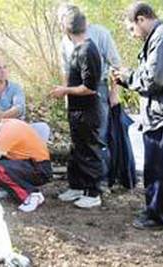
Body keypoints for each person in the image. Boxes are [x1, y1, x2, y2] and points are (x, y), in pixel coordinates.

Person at [113, 2, 163, 229]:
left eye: (132, 29)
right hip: (159, 114)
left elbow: (155, 79)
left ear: (141, 19)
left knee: (162, 170)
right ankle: (154, 209)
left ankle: (159, 217)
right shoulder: (157, 38)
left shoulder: (162, 39)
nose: (132, 35)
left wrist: (127, 76)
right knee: (155, 167)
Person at [58, 4, 122, 187]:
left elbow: (115, 65)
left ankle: (98, 185)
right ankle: (80, 185)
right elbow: (66, 70)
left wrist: (114, 91)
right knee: (79, 141)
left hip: (97, 90)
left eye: (62, 19)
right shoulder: (65, 41)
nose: (61, 24)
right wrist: (65, 94)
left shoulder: (98, 35)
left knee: (96, 138)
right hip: (74, 94)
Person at [51, 7, 104, 208]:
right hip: (76, 111)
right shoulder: (77, 49)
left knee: (90, 150)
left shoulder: (88, 50)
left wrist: (64, 90)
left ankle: (93, 192)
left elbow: (90, 88)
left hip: (88, 111)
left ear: (66, 29)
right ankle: (77, 186)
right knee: (77, 150)